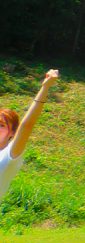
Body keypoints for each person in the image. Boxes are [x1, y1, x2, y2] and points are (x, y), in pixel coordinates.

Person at [0, 69, 59, 202]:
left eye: (1, 125)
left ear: (12, 133)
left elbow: (27, 125)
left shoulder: (8, 155)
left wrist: (45, 87)